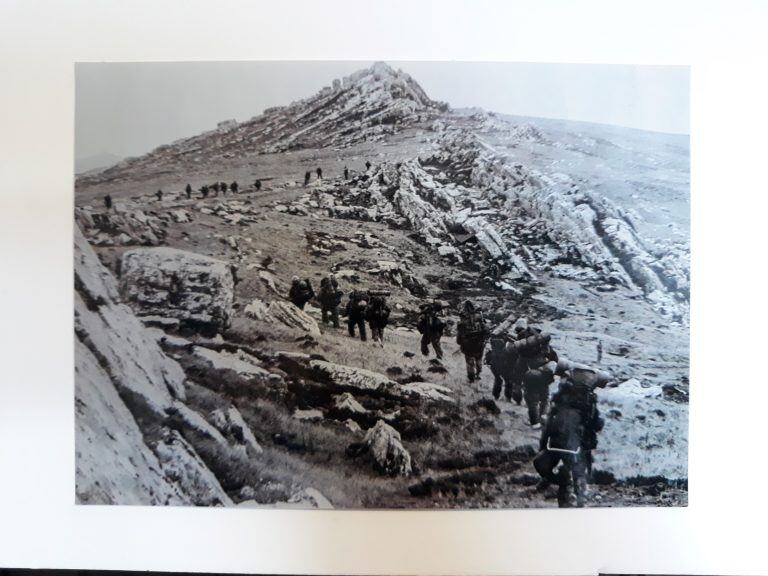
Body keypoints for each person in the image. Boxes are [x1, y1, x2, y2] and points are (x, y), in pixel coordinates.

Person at [533, 368, 606, 508]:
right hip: (577, 446)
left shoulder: (559, 399)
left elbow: (548, 424)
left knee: (545, 464)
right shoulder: (588, 402)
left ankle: (554, 483)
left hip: (554, 443)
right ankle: (579, 499)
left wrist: (543, 444)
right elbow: (594, 424)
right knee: (578, 473)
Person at [514, 329, 558, 428]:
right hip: (546, 377)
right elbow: (556, 361)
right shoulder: (547, 348)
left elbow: (519, 369)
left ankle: (535, 422)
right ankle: (543, 418)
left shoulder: (525, 353)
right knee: (545, 398)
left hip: (532, 377)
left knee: (532, 400)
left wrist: (517, 383)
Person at [456, 300, 490, 382]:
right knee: (478, 359)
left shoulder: (462, 320)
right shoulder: (479, 316)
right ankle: (478, 374)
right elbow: (486, 329)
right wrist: (484, 338)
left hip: (468, 344)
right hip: (479, 343)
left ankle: (471, 378)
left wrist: (460, 342)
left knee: (469, 361)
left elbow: (459, 335)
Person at [485, 336, 521, 403]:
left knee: (498, 380)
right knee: (508, 381)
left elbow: (488, 361)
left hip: (495, 367)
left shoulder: (493, 351)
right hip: (505, 368)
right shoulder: (508, 351)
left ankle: (496, 396)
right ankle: (508, 397)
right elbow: (514, 361)